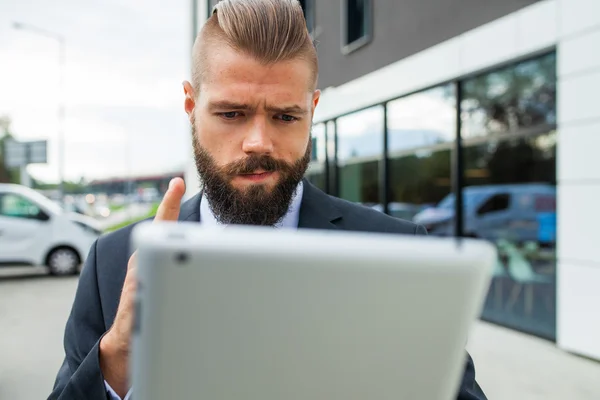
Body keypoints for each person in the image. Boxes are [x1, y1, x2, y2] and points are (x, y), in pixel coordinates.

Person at [48, 0, 487, 399]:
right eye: (232, 114)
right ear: (190, 105)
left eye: (284, 116)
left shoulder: (400, 254)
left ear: (312, 110)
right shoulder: (114, 262)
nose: (258, 142)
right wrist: (118, 354)